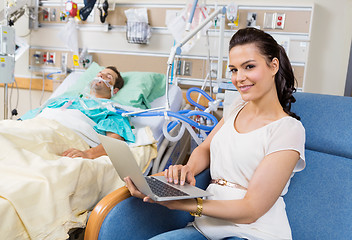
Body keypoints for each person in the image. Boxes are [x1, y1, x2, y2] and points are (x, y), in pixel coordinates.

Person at [125, 27, 306, 240]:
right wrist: (187, 170)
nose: (239, 78)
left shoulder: (288, 130)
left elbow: (251, 210)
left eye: (249, 66)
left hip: (252, 232)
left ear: (273, 65)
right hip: (206, 226)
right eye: (234, 70)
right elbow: (205, 148)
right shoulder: (237, 107)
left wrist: (184, 204)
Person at [22, 66, 135, 159]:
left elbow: (115, 142)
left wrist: (88, 154)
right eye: (100, 73)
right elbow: (29, 118)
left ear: (114, 90)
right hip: (34, 127)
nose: (101, 76)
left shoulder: (110, 110)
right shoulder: (65, 100)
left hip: (62, 135)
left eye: (108, 76)